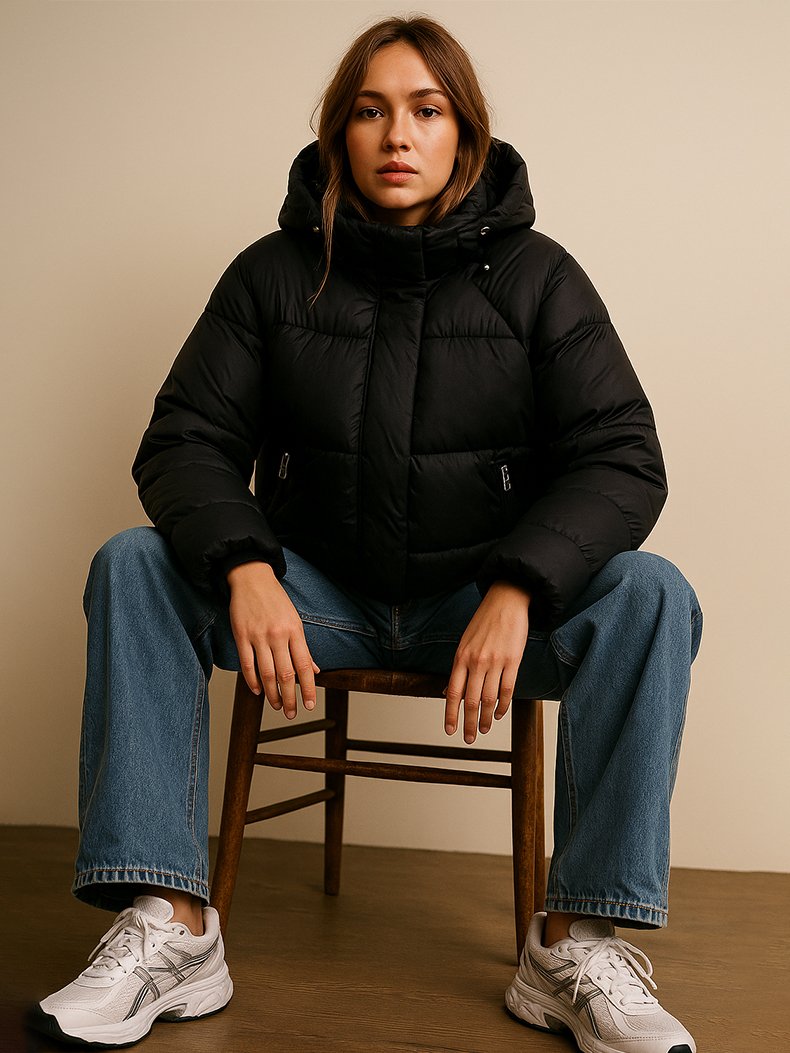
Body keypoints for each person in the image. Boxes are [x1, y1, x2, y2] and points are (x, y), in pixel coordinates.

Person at [30, 15, 702, 1053]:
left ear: (463, 131)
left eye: (426, 110)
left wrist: (519, 586)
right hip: (315, 605)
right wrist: (247, 566)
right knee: (132, 561)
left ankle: (574, 945)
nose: (398, 135)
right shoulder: (271, 275)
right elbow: (185, 440)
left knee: (653, 591)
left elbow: (623, 456)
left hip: (479, 614)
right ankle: (171, 925)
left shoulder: (540, 278)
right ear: (338, 132)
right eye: (370, 111)